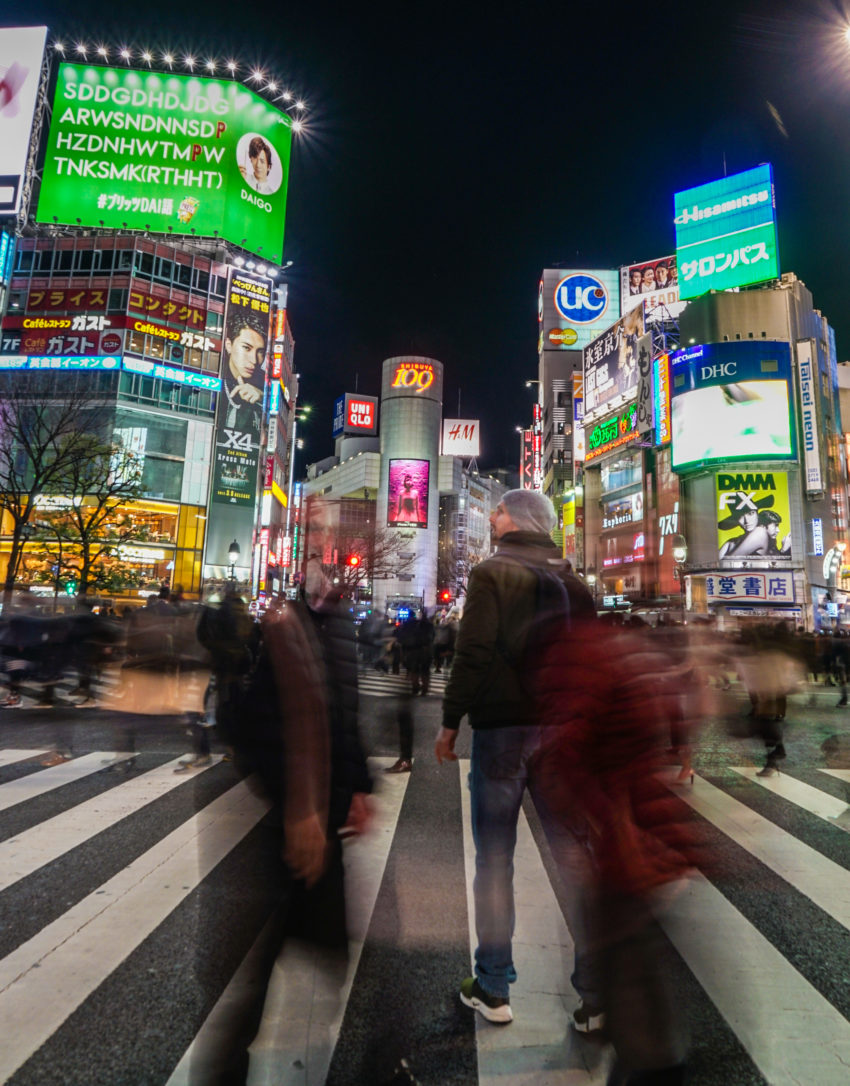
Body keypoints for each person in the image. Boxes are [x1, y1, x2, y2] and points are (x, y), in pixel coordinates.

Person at [434, 489, 597, 1027]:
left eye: (498, 510)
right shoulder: (574, 582)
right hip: (562, 733)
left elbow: (474, 650)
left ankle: (494, 985)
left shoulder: (491, 573)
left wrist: (450, 720)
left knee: (495, 859)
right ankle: (595, 994)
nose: (492, 517)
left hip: (502, 731)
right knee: (574, 857)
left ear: (519, 518)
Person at [221, 310, 268, 441]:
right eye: (246, 348)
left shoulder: (265, 385)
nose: (253, 360)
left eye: (260, 352)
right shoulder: (215, 371)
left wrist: (262, 399)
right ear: (229, 345)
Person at [717, 491, 775, 558]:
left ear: (757, 514)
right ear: (736, 520)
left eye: (750, 513)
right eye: (740, 516)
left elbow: (729, 562)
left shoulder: (760, 532)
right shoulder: (731, 542)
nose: (747, 521)